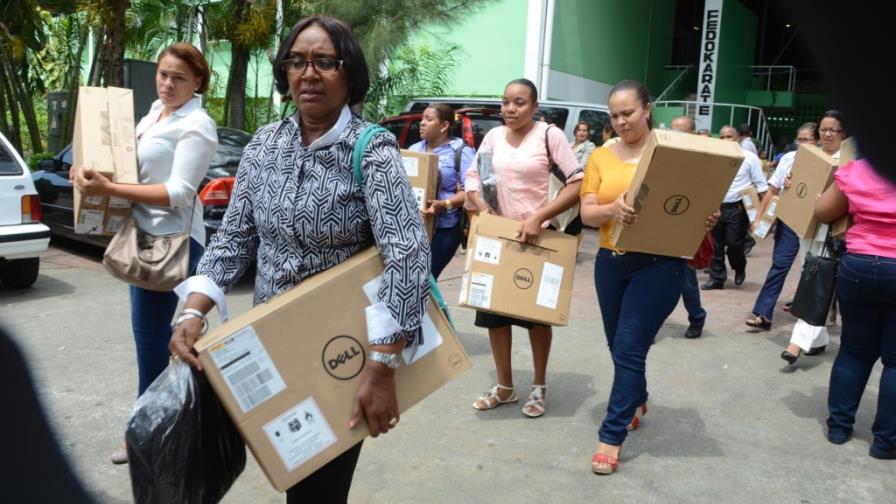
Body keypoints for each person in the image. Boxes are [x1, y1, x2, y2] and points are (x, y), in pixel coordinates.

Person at [168, 16, 430, 502]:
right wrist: (192, 310)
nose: (308, 73)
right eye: (297, 61)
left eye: (325, 62)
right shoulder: (265, 145)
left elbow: (408, 256)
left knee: (320, 489)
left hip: (343, 352)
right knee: (292, 471)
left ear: (349, 73)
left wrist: (381, 366)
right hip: (273, 346)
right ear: (285, 73)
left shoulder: (372, 150)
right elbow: (233, 238)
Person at [72, 42, 217, 464]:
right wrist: (86, 172)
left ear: (198, 83)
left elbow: (178, 193)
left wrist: (109, 189)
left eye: (179, 78)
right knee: (155, 340)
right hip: (143, 236)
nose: (168, 83)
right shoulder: (154, 114)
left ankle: (145, 437)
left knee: (152, 340)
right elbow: (125, 164)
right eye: (163, 73)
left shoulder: (198, 125)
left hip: (171, 243)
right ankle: (169, 429)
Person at [580, 80, 719, 474]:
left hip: (660, 265)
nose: (621, 121)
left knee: (628, 347)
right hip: (610, 261)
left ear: (647, 109)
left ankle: (611, 435)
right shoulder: (601, 157)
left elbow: (697, 199)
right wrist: (612, 209)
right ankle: (636, 396)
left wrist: (706, 216)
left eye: (628, 112)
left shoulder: (676, 151)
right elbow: (588, 214)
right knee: (616, 344)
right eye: (614, 115)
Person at [465, 78, 583, 418]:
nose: (510, 109)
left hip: (536, 239)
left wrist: (539, 218)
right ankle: (504, 386)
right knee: (494, 316)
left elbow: (577, 182)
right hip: (498, 239)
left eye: (519, 103)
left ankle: (539, 386)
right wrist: (486, 213)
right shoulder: (492, 138)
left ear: (534, 107)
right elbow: (474, 180)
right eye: (505, 102)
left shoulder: (549, 135)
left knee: (535, 318)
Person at [814, 156, 896, 459]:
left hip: (860, 263)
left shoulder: (862, 166)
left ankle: (838, 427)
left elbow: (823, 211)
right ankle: (886, 443)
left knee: (853, 350)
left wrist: (818, 198)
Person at [770, 112, 848, 361]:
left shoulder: (848, 161)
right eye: (823, 130)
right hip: (805, 225)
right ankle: (819, 338)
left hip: (831, 230)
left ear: (843, 133)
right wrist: (792, 183)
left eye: (833, 130)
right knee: (812, 276)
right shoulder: (808, 157)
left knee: (816, 280)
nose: (827, 134)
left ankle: (798, 341)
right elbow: (793, 185)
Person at [745, 123, 818, 335]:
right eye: (799, 140)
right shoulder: (788, 159)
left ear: (817, 141)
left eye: (806, 140)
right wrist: (758, 217)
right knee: (779, 265)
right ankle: (763, 313)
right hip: (788, 220)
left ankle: (811, 318)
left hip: (814, 222)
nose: (801, 144)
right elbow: (772, 190)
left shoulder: (827, 163)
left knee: (812, 270)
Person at [409, 103, 475, 278]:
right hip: (414, 226)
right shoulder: (414, 150)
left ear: (444, 126)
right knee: (410, 277)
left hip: (445, 229)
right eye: (422, 118)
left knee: (426, 277)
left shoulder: (460, 153)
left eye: (428, 119)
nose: (422, 123)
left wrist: (445, 204)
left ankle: (435, 306)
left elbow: (470, 192)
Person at [702, 125, 768, 290]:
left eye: (729, 136)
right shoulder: (714, 157)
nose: (726, 140)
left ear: (737, 137)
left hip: (737, 208)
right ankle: (717, 278)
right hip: (715, 206)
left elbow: (762, 186)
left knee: (734, 244)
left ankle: (739, 267)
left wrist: (763, 215)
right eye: (722, 137)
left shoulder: (750, 158)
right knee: (715, 244)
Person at [669, 115, 707, 339]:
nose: (676, 135)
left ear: (692, 133)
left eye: (681, 131)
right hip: (663, 226)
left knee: (687, 281)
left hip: (688, 228)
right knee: (653, 278)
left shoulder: (703, 160)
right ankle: (650, 322)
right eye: (673, 130)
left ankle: (697, 318)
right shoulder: (663, 156)